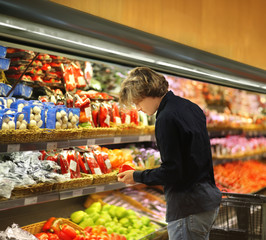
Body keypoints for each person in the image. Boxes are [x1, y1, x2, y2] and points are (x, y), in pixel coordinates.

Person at [117, 67, 222, 240]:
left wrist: (136, 176)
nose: (138, 108)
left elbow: (173, 171)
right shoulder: (191, 107)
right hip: (206, 201)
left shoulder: (166, 118)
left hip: (188, 208)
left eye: (137, 101)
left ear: (146, 92)